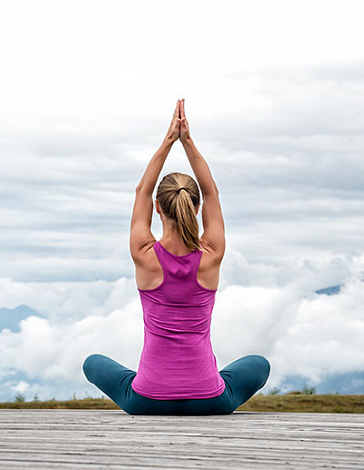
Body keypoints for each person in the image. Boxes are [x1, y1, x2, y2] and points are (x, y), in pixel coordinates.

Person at [82, 99, 270, 415]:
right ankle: (203, 382)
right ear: (196, 207)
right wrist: (188, 142)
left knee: (92, 363)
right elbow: (213, 193)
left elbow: (142, 190)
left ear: (158, 207)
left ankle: (160, 383)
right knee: (259, 365)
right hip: (210, 400)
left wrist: (168, 141)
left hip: (145, 400)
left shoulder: (143, 254)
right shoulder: (211, 254)